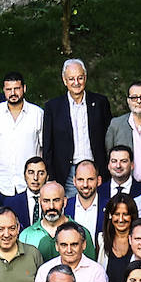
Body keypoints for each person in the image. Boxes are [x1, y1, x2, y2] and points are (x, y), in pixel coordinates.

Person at [0, 72, 44, 223]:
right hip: (3, 182)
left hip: (30, 184)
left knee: (29, 225)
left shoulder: (37, 113)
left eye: (17, 88)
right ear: (3, 90)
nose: (13, 93)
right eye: (9, 89)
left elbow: (44, 147)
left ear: (24, 89)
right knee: (5, 225)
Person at [41, 58, 111, 194]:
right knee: (71, 210)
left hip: (96, 169)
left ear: (85, 77)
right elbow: (48, 145)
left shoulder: (100, 102)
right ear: (64, 80)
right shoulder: (53, 107)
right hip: (68, 173)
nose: (76, 83)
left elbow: (108, 137)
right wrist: (52, 176)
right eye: (71, 79)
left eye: (80, 78)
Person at [31, 221, 107, 282]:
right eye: (64, 245)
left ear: (84, 245)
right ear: (56, 246)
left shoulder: (97, 272)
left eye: (74, 244)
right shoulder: (44, 270)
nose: (69, 250)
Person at [21, 180, 94, 263]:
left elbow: (90, 269)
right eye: (46, 201)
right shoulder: (26, 235)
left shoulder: (82, 233)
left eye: (56, 200)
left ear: (65, 202)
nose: (51, 206)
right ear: (39, 201)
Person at [100, 193, 140, 282]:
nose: (121, 219)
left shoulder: (139, 242)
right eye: (117, 214)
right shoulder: (101, 240)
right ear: (110, 216)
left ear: (132, 216)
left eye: (125, 214)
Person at [64, 160, 106, 241]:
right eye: (80, 179)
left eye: (90, 179)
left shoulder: (109, 206)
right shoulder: (65, 207)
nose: (85, 184)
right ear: (74, 181)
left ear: (99, 180)